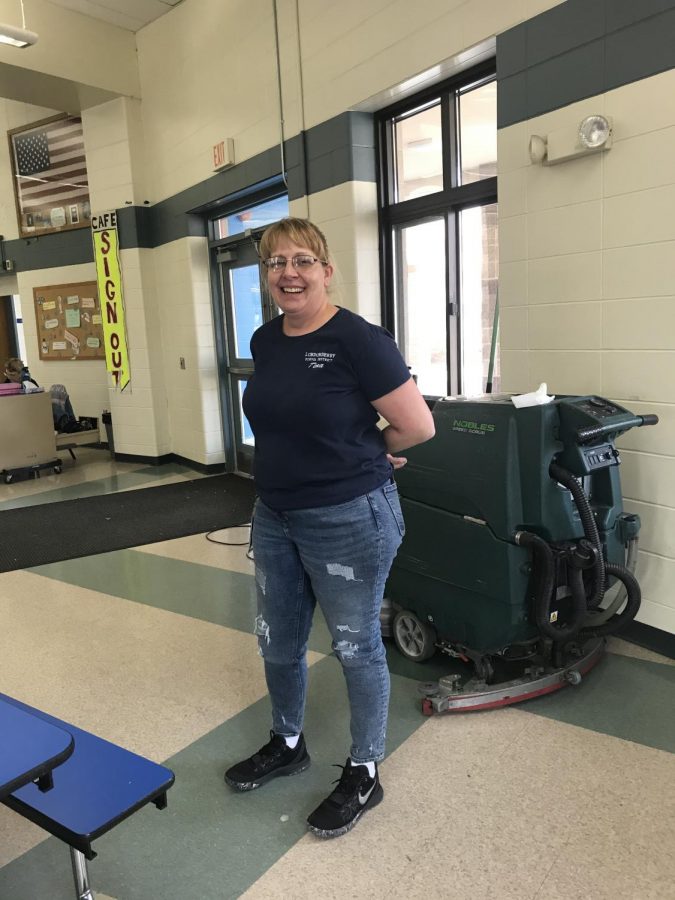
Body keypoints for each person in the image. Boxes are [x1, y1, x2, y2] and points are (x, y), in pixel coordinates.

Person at [224, 217, 435, 838]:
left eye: (301, 261)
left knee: (355, 645)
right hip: (276, 513)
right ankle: (288, 742)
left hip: (348, 518)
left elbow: (417, 427)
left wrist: (366, 452)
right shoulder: (267, 340)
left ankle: (365, 769)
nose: (288, 273)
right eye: (275, 263)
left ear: (325, 269)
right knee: (277, 638)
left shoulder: (358, 339)